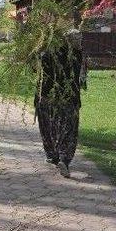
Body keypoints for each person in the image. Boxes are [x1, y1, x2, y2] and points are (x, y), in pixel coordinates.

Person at [34, 29, 86, 178]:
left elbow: (36, 67)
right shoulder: (76, 55)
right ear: (70, 41)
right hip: (68, 99)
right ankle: (64, 158)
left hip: (45, 97)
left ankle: (52, 156)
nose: (80, 42)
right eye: (78, 39)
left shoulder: (47, 53)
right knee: (68, 129)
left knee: (48, 128)